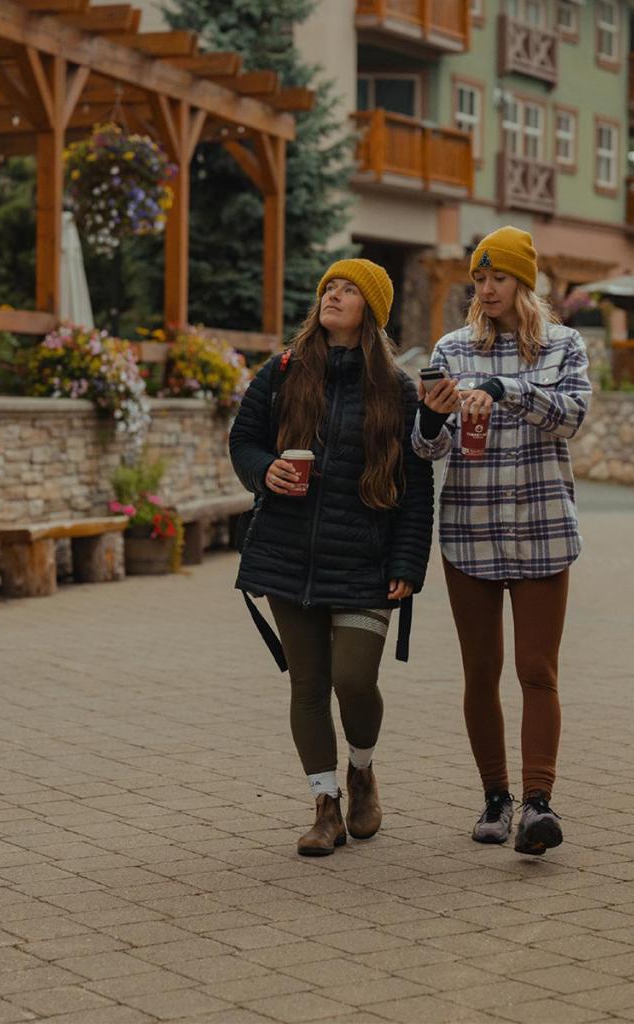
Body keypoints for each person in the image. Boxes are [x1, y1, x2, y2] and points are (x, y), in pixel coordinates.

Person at [229, 258, 434, 857]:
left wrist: (408, 563)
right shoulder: (284, 372)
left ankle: (362, 769)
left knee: (353, 679)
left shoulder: (397, 389)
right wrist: (263, 471)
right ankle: (326, 806)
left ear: (370, 309)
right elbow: (243, 440)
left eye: (347, 290)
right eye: (329, 289)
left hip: (365, 562)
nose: (334, 297)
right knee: (309, 684)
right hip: (288, 556)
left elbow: (416, 488)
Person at [413, 226, 591, 856]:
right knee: (480, 672)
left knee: (536, 671)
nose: (486, 290)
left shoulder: (564, 346)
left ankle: (538, 806)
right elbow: (428, 449)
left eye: (498, 278)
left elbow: (571, 417)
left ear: (524, 282)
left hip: (543, 529)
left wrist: (507, 390)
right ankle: (496, 798)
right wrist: (433, 414)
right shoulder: (452, 348)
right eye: (479, 279)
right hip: (470, 531)